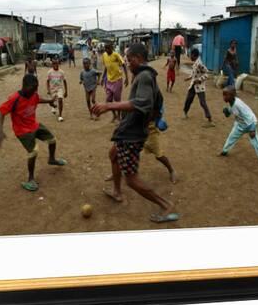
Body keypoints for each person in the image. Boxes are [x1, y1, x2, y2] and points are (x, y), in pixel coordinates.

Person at [92, 43, 179, 224]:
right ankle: (117, 191)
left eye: (129, 60)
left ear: (138, 58)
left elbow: (143, 103)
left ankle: (167, 205)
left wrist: (109, 106)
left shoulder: (145, 77)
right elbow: (157, 101)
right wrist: (151, 120)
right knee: (113, 154)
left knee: (131, 180)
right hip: (131, 130)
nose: (127, 63)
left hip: (132, 135)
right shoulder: (147, 75)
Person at [0, 74, 67, 192]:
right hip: (22, 130)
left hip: (34, 125)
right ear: (24, 86)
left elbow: (38, 99)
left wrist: (50, 101)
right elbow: (1, 114)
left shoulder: (33, 94)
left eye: (36, 88)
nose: (34, 91)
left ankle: (52, 159)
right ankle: (30, 179)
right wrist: (0, 132)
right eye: (33, 88)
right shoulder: (14, 99)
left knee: (52, 140)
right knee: (33, 151)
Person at [219, 86, 258, 161]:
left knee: (256, 143)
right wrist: (226, 111)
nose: (224, 97)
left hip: (250, 125)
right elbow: (229, 114)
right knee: (231, 138)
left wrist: (252, 129)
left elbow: (249, 116)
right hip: (239, 125)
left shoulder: (238, 104)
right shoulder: (231, 103)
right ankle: (224, 151)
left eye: (226, 95)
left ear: (232, 96)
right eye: (223, 95)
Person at [183, 48, 215, 127]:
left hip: (200, 86)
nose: (190, 56)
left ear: (194, 55)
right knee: (188, 99)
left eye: (191, 55)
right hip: (193, 85)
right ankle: (185, 112)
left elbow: (207, 74)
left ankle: (210, 119)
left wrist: (199, 80)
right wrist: (189, 77)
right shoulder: (195, 63)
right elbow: (194, 73)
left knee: (202, 102)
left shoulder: (199, 63)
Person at [101, 43, 129, 123]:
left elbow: (123, 65)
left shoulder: (116, 55)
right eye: (106, 49)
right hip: (109, 81)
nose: (107, 50)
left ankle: (119, 116)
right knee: (108, 100)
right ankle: (114, 115)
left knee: (117, 101)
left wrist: (127, 78)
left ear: (112, 48)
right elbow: (106, 67)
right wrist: (103, 78)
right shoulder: (104, 55)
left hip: (117, 80)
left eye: (108, 48)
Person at [47, 58, 68, 122]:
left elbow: (64, 81)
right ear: (52, 64)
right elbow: (47, 81)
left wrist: (66, 91)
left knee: (60, 99)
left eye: (56, 63)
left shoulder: (61, 72)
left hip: (59, 88)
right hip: (52, 89)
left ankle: (60, 116)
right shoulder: (49, 72)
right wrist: (48, 90)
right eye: (54, 63)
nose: (55, 65)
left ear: (58, 64)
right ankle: (54, 106)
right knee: (51, 102)